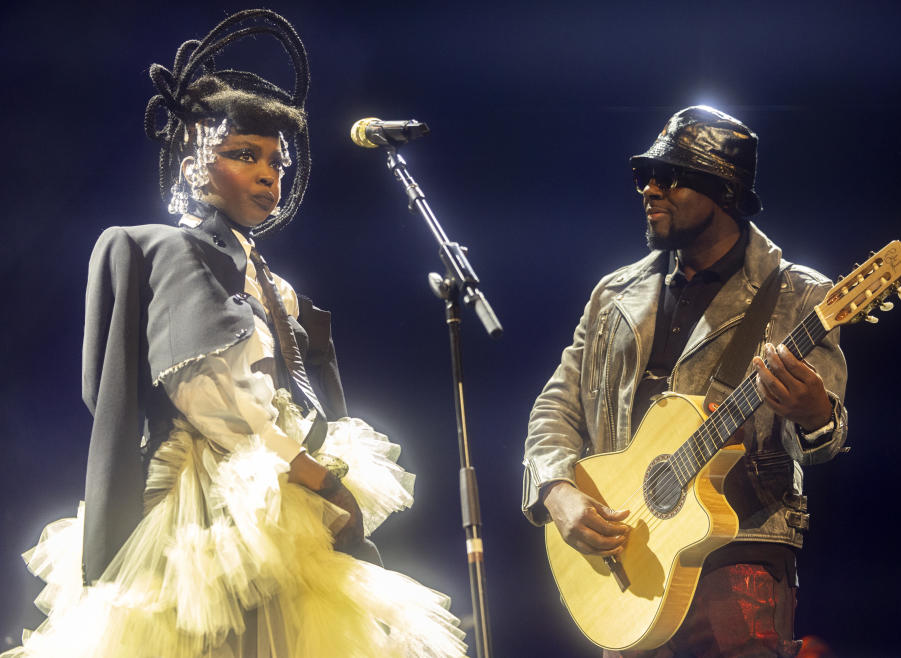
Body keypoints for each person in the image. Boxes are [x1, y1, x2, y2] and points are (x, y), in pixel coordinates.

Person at [3, 10, 465, 658]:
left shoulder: (263, 279)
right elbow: (219, 398)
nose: (268, 172)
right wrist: (317, 475)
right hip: (211, 507)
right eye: (244, 154)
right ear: (195, 165)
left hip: (269, 489)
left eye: (275, 159)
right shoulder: (176, 253)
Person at [522, 106, 848, 657]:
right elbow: (556, 407)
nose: (649, 190)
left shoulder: (801, 296)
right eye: (644, 176)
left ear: (723, 191)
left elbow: (819, 446)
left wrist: (815, 414)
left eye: (668, 178)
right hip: (631, 557)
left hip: (741, 554)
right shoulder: (613, 296)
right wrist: (556, 490)